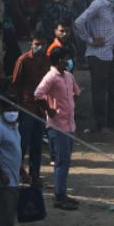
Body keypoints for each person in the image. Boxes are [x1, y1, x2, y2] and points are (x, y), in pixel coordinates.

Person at [34, 46, 81, 210]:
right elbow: (38, 94)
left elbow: (76, 92)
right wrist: (49, 109)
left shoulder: (68, 76)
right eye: (67, 58)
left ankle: (62, 192)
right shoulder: (51, 77)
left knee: (65, 161)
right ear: (60, 61)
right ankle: (59, 197)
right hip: (58, 126)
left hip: (70, 125)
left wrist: (70, 105)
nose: (69, 61)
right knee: (61, 162)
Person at [75, 0, 114, 131]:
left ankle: (112, 123)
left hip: (109, 54)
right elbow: (79, 22)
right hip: (98, 55)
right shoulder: (98, 4)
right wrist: (90, 40)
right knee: (99, 91)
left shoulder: (109, 5)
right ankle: (101, 124)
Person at [9, 32, 50, 186]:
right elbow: (15, 84)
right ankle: (16, 172)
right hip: (27, 106)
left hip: (41, 107)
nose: (40, 47)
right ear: (31, 44)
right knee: (22, 142)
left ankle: (35, 175)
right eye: (37, 44)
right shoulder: (23, 60)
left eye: (43, 44)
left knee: (37, 144)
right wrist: (15, 106)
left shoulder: (48, 60)